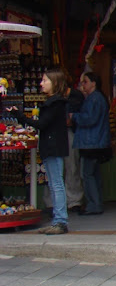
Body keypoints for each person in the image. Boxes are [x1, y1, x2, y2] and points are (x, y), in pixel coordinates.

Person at [8, 68, 69, 234]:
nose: (41, 83)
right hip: (51, 146)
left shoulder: (55, 104)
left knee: (56, 183)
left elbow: (42, 124)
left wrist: (20, 116)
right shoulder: (55, 103)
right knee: (54, 183)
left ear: (54, 83)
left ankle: (61, 220)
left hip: (53, 147)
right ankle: (58, 219)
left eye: (44, 80)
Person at [70, 72, 111, 216]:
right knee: (93, 173)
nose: (83, 85)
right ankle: (96, 202)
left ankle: (94, 204)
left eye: (85, 82)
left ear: (93, 83)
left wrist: (74, 116)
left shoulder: (95, 99)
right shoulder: (96, 98)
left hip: (91, 142)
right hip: (94, 141)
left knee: (87, 174)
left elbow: (90, 119)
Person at [64, 82, 85, 212]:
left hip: (69, 133)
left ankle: (74, 201)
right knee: (58, 170)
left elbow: (70, 120)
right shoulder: (51, 97)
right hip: (58, 133)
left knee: (72, 167)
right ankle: (57, 202)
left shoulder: (75, 97)